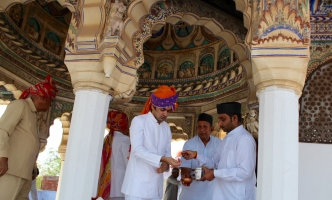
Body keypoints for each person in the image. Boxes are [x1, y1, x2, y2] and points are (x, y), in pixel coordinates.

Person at [182, 102, 256, 200]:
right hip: (222, 195)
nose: (220, 123)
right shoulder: (226, 139)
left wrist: (214, 173)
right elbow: (215, 162)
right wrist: (196, 155)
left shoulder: (244, 139)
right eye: (219, 119)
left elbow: (245, 172)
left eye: (223, 119)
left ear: (234, 118)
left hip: (238, 196)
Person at [0, 75, 58, 200]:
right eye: (50, 101)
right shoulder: (20, 105)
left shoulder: (32, 114)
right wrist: (2, 158)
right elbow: (2, 131)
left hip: (24, 174)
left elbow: (27, 145)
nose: (50, 106)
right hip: (10, 171)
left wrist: (33, 169)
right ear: (42, 97)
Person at [121, 85, 181, 200]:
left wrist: (166, 164)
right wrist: (163, 159)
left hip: (156, 189)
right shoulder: (139, 121)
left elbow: (167, 154)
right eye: (162, 110)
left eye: (168, 111)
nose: (165, 114)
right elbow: (137, 151)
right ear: (153, 106)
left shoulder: (166, 128)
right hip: (137, 187)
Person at [179, 113, 222, 200]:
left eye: (205, 126)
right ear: (196, 128)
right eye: (199, 127)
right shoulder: (189, 144)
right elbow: (185, 166)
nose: (202, 129)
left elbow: (221, 165)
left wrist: (210, 173)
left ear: (212, 128)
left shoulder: (219, 144)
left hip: (212, 194)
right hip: (191, 195)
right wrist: (186, 177)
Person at [95, 110, 131, 200]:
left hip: (106, 186)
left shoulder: (106, 139)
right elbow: (129, 163)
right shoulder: (124, 140)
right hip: (120, 187)